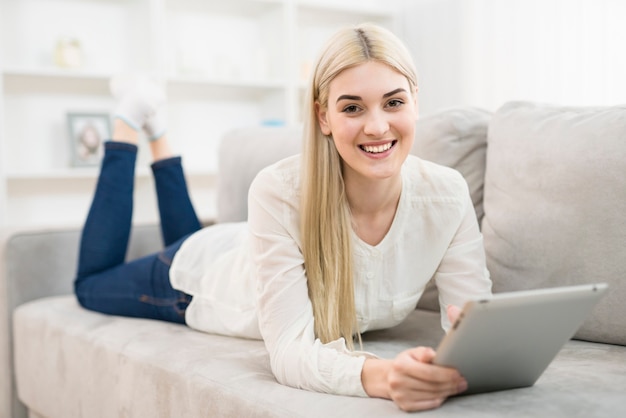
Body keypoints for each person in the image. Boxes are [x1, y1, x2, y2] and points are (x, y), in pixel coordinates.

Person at [74, 23, 492, 412]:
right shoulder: (279, 189)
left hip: (246, 247)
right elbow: (290, 353)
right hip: (202, 279)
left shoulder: (447, 195)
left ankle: (158, 129)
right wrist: (381, 375)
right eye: (352, 108)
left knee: (185, 236)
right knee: (90, 285)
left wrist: (475, 345)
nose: (378, 126)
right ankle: (129, 124)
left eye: (394, 102)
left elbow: (476, 319)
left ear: (416, 102)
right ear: (323, 116)